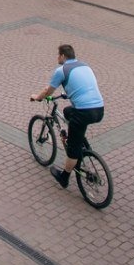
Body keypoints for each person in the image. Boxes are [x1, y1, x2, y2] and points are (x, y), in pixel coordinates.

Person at [30, 43, 105, 189]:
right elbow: (82, 85)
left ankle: (64, 177)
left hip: (83, 112)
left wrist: (37, 97)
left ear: (63, 56)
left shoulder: (61, 70)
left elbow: (48, 92)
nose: (57, 57)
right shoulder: (85, 66)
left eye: (58, 55)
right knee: (67, 112)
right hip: (99, 109)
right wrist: (67, 93)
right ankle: (82, 142)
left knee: (72, 149)